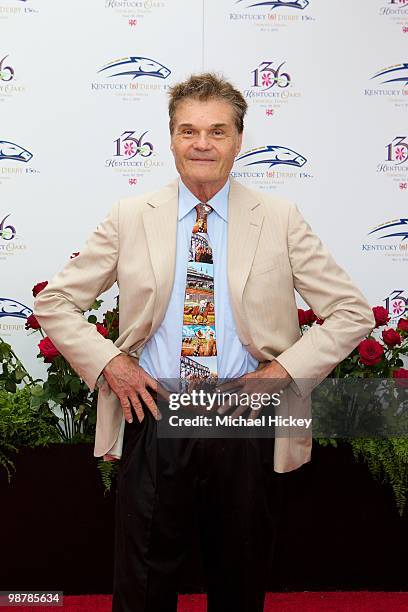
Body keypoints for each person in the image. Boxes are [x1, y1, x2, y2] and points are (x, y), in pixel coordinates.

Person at [34, 73, 375, 611]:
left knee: (239, 581)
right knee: (142, 588)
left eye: (217, 131)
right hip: (155, 415)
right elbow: (55, 303)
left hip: (245, 418)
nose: (202, 144)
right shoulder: (130, 217)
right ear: (169, 139)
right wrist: (111, 364)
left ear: (239, 139)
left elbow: (351, 312)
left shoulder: (280, 219)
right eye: (188, 131)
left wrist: (281, 374)